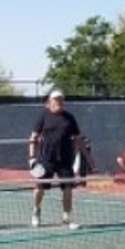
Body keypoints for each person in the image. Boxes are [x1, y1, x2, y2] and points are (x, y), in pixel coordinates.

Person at [28, 89, 87, 229]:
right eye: (56, 99)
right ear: (50, 101)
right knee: (39, 187)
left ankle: (66, 218)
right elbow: (33, 138)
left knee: (68, 189)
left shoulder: (69, 118)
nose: (59, 102)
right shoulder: (43, 116)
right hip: (45, 159)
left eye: (61, 99)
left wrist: (88, 159)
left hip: (65, 160)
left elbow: (78, 140)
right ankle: (36, 211)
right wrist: (31, 159)